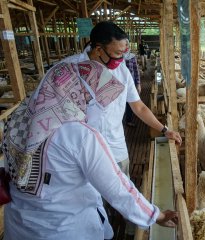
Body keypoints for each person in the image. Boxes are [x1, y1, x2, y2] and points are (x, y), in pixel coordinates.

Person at [2, 61, 178, 240]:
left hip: (18, 225)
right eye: (89, 99)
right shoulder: (79, 134)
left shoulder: (19, 121)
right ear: (75, 93)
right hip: (65, 229)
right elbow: (117, 188)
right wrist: (156, 215)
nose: (95, 106)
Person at [62, 21, 182, 177]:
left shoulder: (121, 70)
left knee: (120, 193)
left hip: (116, 148)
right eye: (118, 54)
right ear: (99, 49)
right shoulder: (68, 71)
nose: (122, 58)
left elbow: (138, 106)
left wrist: (164, 130)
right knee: (90, 199)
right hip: (80, 155)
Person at [124, 40, 141, 127]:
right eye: (124, 44)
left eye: (127, 44)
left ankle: (129, 120)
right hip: (120, 83)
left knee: (130, 101)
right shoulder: (116, 57)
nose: (126, 47)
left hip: (131, 81)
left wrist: (138, 84)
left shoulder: (132, 57)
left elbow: (135, 70)